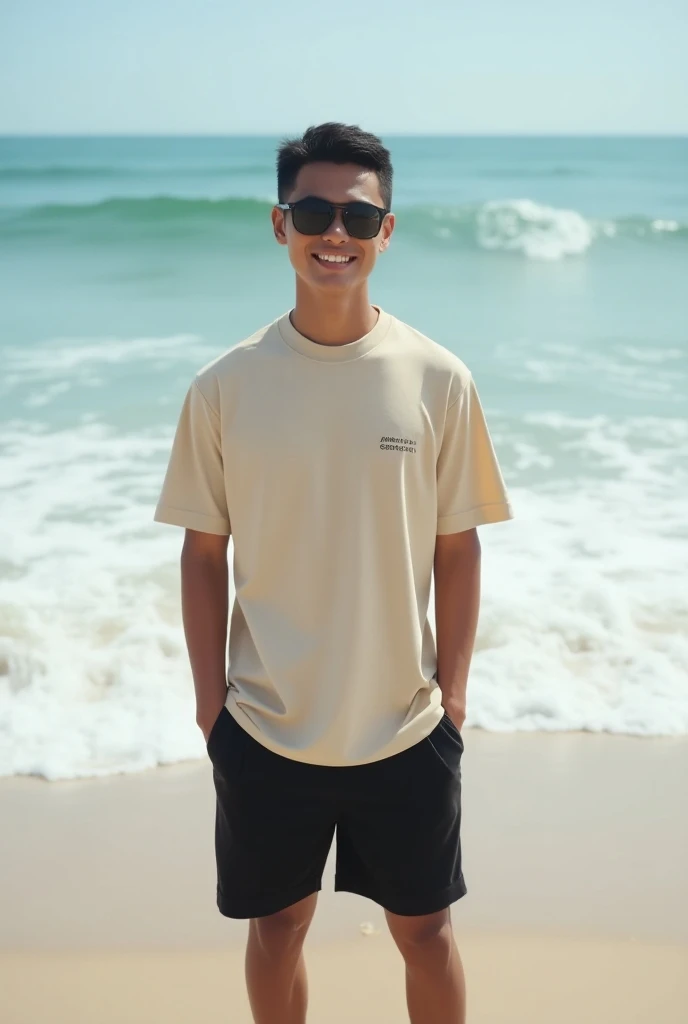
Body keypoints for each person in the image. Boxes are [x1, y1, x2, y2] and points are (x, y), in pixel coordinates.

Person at [153, 122, 514, 1024]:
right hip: (266, 725)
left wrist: (455, 695)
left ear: (387, 230)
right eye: (314, 210)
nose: (336, 232)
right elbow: (202, 554)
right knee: (277, 929)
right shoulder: (224, 386)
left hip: (404, 722)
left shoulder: (438, 378)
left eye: (359, 214)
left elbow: (458, 544)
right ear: (281, 225)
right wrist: (212, 708)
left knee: (425, 933)